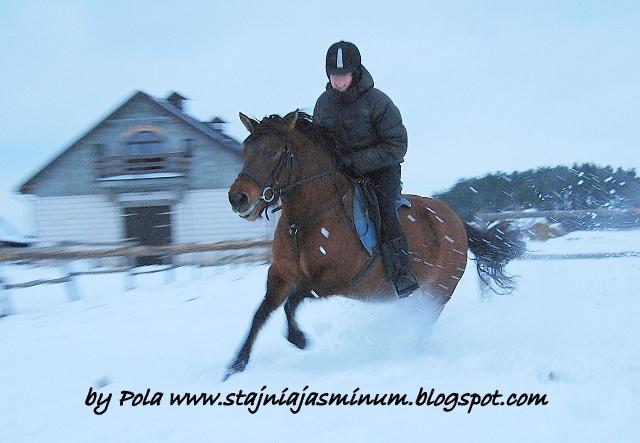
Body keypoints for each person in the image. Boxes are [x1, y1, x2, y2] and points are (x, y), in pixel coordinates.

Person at [313, 41, 419, 297]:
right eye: (333, 76)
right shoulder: (323, 105)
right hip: (343, 172)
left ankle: (401, 273)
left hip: (382, 171)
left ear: (356, 72)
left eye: (343, 76)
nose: (338, 81)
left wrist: (356, 161)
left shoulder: (378, 101)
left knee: (383, 210)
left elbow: (397, 145)